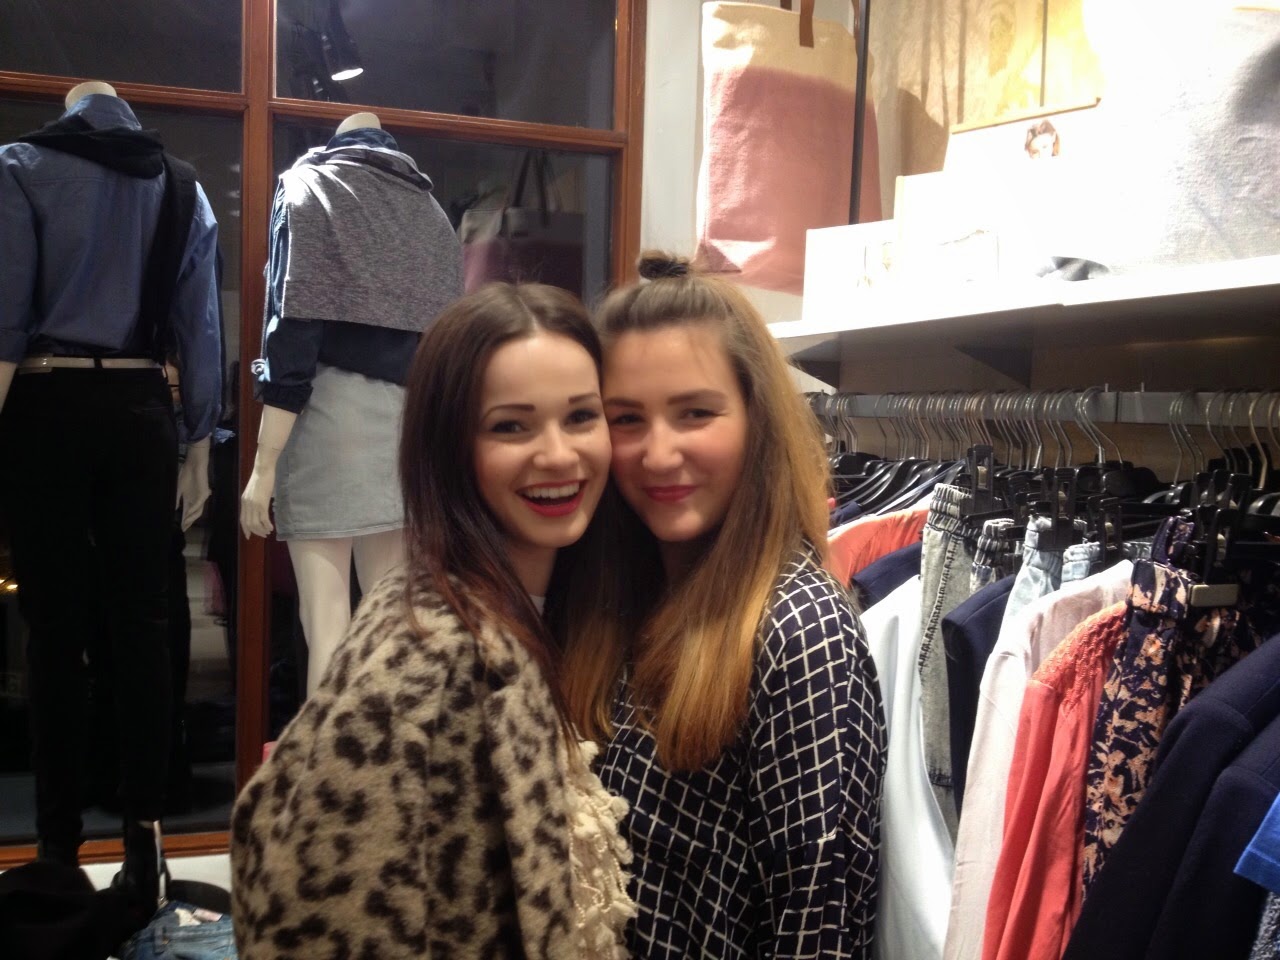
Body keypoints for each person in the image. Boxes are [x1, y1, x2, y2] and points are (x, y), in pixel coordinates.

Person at [230, 283, 635, 959]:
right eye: (511, 426)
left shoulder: (551, 613)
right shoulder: (432, 658)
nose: (559, 455)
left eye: (581, 417)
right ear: (450, 446)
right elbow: (309, 913)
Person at [557, 252, 887, 958]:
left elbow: (818, 929)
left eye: (695, 413)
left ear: (756, 420)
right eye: (626, 419)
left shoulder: (801, 632)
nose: (658, 453)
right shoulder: (611, 596)